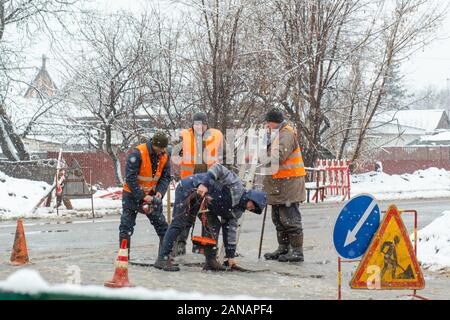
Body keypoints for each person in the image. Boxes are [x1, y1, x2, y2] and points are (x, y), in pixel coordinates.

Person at [154, 164, 267, 272]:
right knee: (179, 223)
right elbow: (217, 167)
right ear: (251, 198)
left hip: (204, 201)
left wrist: (230, 256)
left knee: (214, 225)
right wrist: (205, 184)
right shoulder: (235, 185)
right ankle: (162, 258)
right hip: (190, 187)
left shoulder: (236, 212)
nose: (251, 209)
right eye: (253, 206)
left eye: (253, 210)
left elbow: (230, 231)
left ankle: (210, 261)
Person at [172, 112, 224, 256]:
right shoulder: (185, 137)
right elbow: (175, 154)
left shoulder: (217, 136)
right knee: (185, 214)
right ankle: (180, 244)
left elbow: (225, 156)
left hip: (209, 183)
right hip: (189, 183)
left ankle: (205, 246)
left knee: (208, 215)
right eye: (196, 124)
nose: (199, 127)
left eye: (202, 124)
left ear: (207, 125)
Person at [262, 109, 307, 262]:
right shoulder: (275, 134)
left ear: (275, 121)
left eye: (268, 122)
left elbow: (279, 156)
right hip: (278, 184)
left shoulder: (286, 134)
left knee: (290, 219)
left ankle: (296, 251)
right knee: (278, 219)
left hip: (289, 184)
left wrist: (261, 154)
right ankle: (283, 248)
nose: (267, 125)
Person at [118, 132, 171, 259]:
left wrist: (160, 192)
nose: (163, 151)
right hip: (132, 195)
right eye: (160, 148)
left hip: (152, 195)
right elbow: (130, 179)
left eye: (164, 148)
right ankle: (124, 258)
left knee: (162, 226)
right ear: (154, 145)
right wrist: (142, 196)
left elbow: (166, 177)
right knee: (126, 226)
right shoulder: (138, 154)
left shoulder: (164, 155)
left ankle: (163, 258)